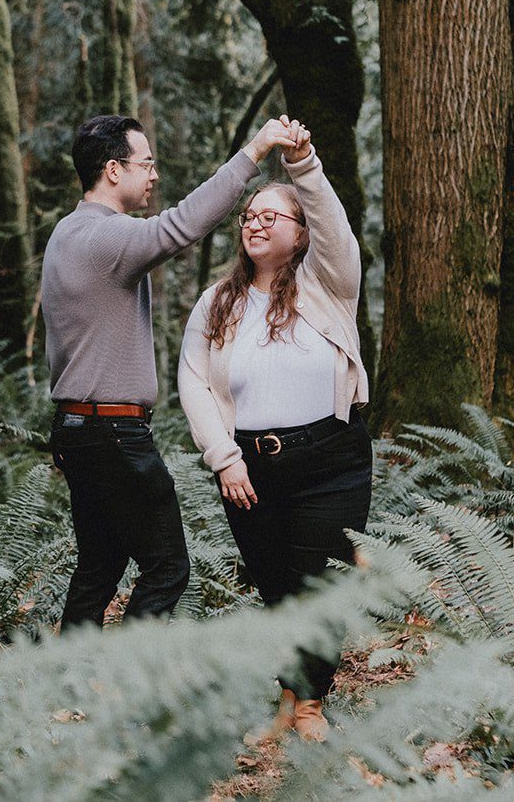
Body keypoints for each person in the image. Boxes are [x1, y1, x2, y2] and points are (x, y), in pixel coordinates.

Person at [41, 113, 298, 630]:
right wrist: (254, 151)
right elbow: (182, 225)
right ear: (113, 170)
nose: (154, 175)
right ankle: (123, 685)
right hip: (113, 432)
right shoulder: (105, 239)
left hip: (78, 430)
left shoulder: (67, 235)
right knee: (168, 567)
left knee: (99, 566)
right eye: (147, 164)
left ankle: (63, 690)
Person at [177, 120, 371, 744]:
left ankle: (310, 707)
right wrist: (223, 457)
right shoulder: (218, 304)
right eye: (247, 216)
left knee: (320, 585)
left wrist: (304, 163)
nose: (254, 223)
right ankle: (290, 699)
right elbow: (193, 382)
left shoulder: (328, 284)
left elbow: (333, 223)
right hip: (250, 470)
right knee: (276, 585)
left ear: (301, 230)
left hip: (330, 462)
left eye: (271, 215)